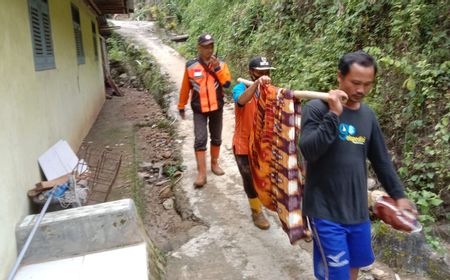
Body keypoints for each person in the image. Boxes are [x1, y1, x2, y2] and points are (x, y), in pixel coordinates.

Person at [299, 50, 416, 280]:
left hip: (358, 212)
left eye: (367, 84)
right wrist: (334, 114)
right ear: (339, 77)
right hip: (325, 211)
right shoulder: (316, 108)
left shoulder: (368, 116)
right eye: (355, 83)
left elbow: (381, 160)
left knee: (353, 269)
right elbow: (310, 151)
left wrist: (398, 194)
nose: (361, 90)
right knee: (337, 275)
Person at [178, 33, 232, 188]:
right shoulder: (191, 66)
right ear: (199, 48)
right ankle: (201, 173)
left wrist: (216, 69)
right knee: (200, 139)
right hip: (199, 109)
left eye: (211, 47)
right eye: (206, 47)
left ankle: (214, 164)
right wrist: (181, 105)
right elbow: (185, 88)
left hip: (217, 108)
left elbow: (227, 84)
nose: (209, 50)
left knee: (216, 138)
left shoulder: (221, 64)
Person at [231, 56, 273, 229]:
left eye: (266, 72)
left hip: (261, 144)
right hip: (243, 144)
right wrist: (256, 85)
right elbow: (241, 100)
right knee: (248, 176)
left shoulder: (268, 91)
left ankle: (264, 200)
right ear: (251, 72)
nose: (263, 75)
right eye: (259, 72)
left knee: (263, 175)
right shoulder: (240, 87)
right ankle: (256, 211)